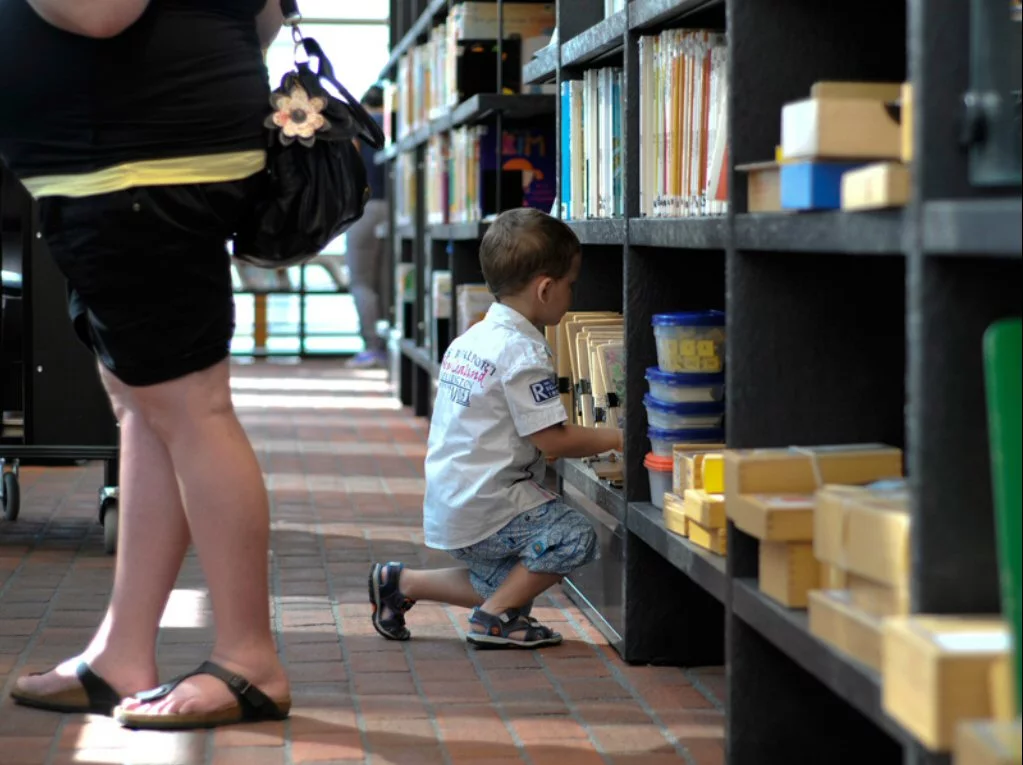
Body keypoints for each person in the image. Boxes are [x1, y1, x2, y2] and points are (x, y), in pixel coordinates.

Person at [0, 0, 291, 729]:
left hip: (140, 162)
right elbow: (260, 21)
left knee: (192, 406)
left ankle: (250, 659)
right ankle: (121, 651)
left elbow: (101, 10)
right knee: (148, 404)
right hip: (143, 156)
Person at [368, 208, 623, 648]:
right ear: (545, 288)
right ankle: (493, 619)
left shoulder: (472, 337)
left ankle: (400, 583)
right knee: (573, 536)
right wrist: (623, 436)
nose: (572, 294)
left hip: (453, 500)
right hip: (488, 503)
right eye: (571, 285)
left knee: (511, 580)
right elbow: (552, 441)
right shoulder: (523, 352)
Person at [345, 85, 389, 368]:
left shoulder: (358, 126)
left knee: (361, 281)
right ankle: (388, 342)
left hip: (365, 207)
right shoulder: (395, 121)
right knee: (385, 280)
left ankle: (372, 346)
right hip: (395, 210)